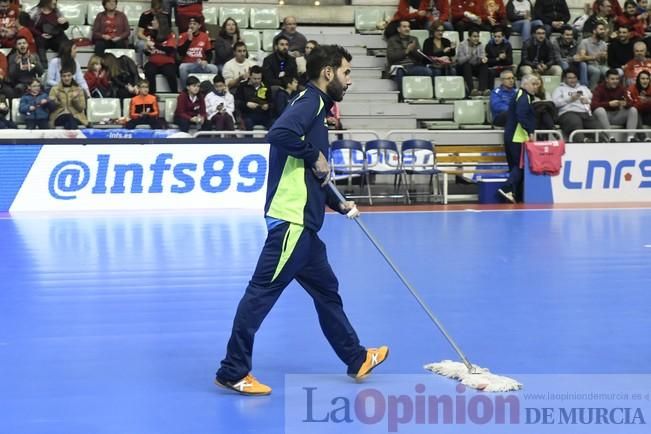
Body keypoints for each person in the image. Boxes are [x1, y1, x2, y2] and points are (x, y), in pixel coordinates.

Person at [215, 44, 388, 396]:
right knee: (260, 294)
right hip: (291, 222)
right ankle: (233, 370)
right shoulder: (309, 102)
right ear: (328, 72)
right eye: (346, 72)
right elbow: (279, 133)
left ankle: (356, 358)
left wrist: (337, 203)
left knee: (328, 292)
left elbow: (311, 172)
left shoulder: (317, 107)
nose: (349, 80)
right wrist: (314, 155)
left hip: (306, 227)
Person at [498, 74, 538, 204]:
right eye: (533, 84)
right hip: (517, 137)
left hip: (511, 135)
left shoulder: (519, 95)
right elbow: (521, 115)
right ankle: (506, 187)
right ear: (525, 84)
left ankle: (515, 194)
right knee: (520, 166)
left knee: (514, 166)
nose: (536, 87)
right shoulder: (523, 97)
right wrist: (530, 131)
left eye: (537, 84)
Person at [552, 68, 603, 141]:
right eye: (569, 78)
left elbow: (592, 100)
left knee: (595, 125)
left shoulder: (584, 88)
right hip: (567, 113)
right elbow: (555, 103)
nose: (572, 80)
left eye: (574, 77)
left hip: (584, 113)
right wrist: (570, 99)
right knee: (575, 121)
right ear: (564, 79)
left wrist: (587, 101)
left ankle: (605, 142)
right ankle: (582, 141)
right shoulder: (559, 89)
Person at [591, 68, 639, 142]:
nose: (615, 81)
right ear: (607, 79)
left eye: (617, 79)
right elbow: (593, 105)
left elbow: (631, 102)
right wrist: (609, 104)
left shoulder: (621, 88)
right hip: (604, 116)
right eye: (612, 79)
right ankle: (611, 137)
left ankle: (631, 137)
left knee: (633, 110)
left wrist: (626, 104)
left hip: (617, 115)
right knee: (599, 110)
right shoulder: (599, 88)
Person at [177, 16, 218, 88]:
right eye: (190, 24)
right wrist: (189, 40)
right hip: (188, 64)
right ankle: (185, 90)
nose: (192, 26)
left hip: (200, 64)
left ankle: (212, 90)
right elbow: (180, 53)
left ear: (199, 26)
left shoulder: (204, 36)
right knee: (182, 67)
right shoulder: (183, 36)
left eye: (194, 24)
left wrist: (206, 61)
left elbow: (209, 53)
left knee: (214, 68)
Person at [28, 0, 70, 65]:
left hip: (56, 37)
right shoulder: (35, 11)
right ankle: (44, 67)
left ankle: (64, 65)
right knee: (39, 41)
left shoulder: (57, 11)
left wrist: (65, 23)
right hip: (42, 37)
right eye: (53, 0)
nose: (55, 2)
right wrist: (40, 34)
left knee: (65, 43)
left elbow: (65, 27)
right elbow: (29, 26)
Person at [234, 65, 272, 130]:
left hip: (263, 114)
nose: (257, 81)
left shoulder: (266, 86)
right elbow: (237, 102)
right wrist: (246, 104)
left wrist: (268, 105)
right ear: (250, 76)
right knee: (247, 122)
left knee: (273, 122)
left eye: (259, 79)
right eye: (254, 78)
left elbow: (272, 102)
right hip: (248, 114)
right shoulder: (242, 86)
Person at [456, 29, 491, 96]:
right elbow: (460, 61)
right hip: (463, 68)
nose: (476, 38)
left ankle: (482, 90)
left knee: (484, 65)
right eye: (474, 36)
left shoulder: (480, 45)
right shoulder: (462, 45)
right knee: (467, 65)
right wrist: (470, 55)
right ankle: (471, 90)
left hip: (474, 66)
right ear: (469, 37)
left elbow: (482, 57)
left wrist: (482, 59)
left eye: (478, 36)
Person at [576, 22, 609, 88]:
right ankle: (592, 91)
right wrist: (595, 57)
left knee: (608, 72)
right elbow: (582, 57)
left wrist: (604, 57)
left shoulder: (604, 44)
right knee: (596, 71)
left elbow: (603, 61)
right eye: (601, 29)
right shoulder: (585, 42)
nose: (603, 31)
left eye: (603, 30)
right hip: (588, 65)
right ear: (594, 31)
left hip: (600, 65)